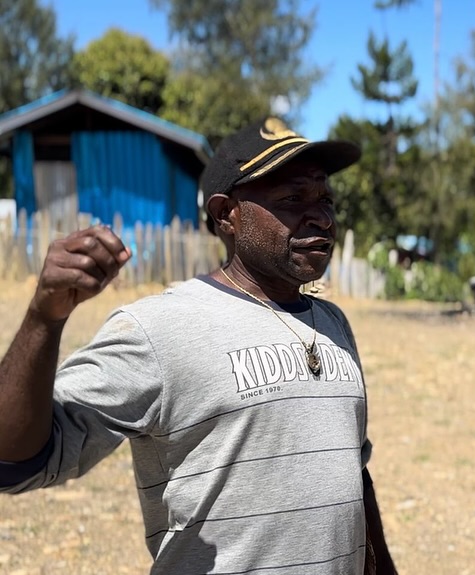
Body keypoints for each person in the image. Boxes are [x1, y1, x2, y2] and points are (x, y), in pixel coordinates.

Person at [0, 117, 397, 575]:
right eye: (293, 199)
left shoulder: (333, 324)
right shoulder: (160, 329)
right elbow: (15, 460)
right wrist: (42, 319)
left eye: (325, 199)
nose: (322, 217)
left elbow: (353, 473)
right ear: (227, 213)